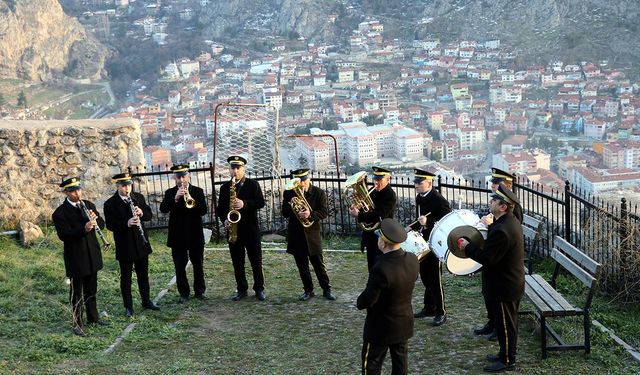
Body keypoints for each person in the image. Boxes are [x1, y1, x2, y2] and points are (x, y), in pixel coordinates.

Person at [457, 184, 525, 372]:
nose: (491, 201)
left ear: (503, 207)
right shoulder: (506, 223)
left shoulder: (503, 230)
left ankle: (508, 360)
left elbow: (488, 258)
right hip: (505, 282)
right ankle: (503, 353)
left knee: (505, 325)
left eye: (494, 200)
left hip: (504, 285)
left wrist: (467, 247)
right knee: (504, 323)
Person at [357, 218, 420, 375]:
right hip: (403, 322)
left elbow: (369, 299)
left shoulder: (381, 267)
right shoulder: (412, 259)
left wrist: (359, 301)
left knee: (372, 363)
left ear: (383, 243)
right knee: (400, 363)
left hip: (381, 326)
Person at [52, 177, 109, 336]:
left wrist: (96, 219)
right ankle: (77, 322)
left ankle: (93, 317)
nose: (77, 193)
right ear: (66, 192)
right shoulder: (60, 213)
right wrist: (83, 229)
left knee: (91, 289)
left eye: (78, 189)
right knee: (76, 291)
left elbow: (102, 225)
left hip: (92, 253)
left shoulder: (88, 205)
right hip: (76, 257)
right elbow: (64, 235)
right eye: (73, 191)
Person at [475, 167, 523, 340]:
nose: (493, 186)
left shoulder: (511, 212)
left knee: (505, 319)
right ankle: (494, 323)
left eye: (497, 183)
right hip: (497, 269)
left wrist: (489, 226)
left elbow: (505, 236)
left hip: (505, 272)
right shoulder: (502, 212)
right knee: (490, 297)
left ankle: (501, 334)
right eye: (493, 183)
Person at [104, 172, 159, 318]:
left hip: (141, 242)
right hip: (125, 245)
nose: (127, 189)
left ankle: (146, 301)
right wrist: (126, 223)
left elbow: (149, 215)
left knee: (143, 274)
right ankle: (128, 306)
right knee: (126, 277)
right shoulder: (110, 204)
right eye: (123, 186)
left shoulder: (138, 198)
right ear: (117, 186)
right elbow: (110, 225)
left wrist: (142, 213)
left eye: (129, 185)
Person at [216, 155, 266, 301]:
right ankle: (241, 289)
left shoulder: (253, 184)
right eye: (233, 168)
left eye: (238, 168)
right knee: (237, 263)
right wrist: (224, 219)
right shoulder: (225, 188)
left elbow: (260, 202)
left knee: (256, 261)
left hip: (250, 230)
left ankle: (259, 289)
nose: (235, 171)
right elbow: (220, 209)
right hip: (233, 230)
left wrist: (245, 204)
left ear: (243, 169)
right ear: (229, 169)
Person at [282, 168, 336, 301]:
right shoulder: (289, 193)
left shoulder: (318, 192)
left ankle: (326, 289)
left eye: (304, 181)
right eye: (298, 181)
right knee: (302, 266)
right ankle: (308, 290)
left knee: (318, 264)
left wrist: (310, 214)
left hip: (312, 234)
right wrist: (291, 205)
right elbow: (284, 212)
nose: (301, 184)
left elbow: (324, 212)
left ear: (309, 179)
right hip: (296, 234)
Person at [407, 169, 452, 326]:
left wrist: (429, 222)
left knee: (435, 279)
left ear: (429, 183)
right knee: (425, 276)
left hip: (435, 243)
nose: (416, 186)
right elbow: (420, 219)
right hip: (422, 241)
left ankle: (441, 312)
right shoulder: (420, 197)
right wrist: (411, 227)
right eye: (416, 183)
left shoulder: (438, 199)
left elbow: (447, 220)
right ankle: (429, 307)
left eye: (419, 183)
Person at [160, 164, 208, 303]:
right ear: (175, 178)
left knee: (198, 264)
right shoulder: (170, 192)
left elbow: (203, 210)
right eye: (178, 177)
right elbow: (163, 208)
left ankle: (200, 291)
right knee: (179, 266)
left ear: (189, 176)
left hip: (194, 234)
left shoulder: (197, 191)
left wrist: (191, 200)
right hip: (178, 235)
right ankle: (184, 293)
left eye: (183, 176)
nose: (181, 179)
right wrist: (175, 198)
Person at [348, 166, 397, 271]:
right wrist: (357, 207)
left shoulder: (390, 195)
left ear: (388, 179)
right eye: (375, 179)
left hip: (382, 235)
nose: (376, 182)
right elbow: (366, 210)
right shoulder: (373, 191)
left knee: (381, 266)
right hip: (370, 235)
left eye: (379, 179)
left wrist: (359, 215)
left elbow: (380, 215)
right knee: (371, 265)